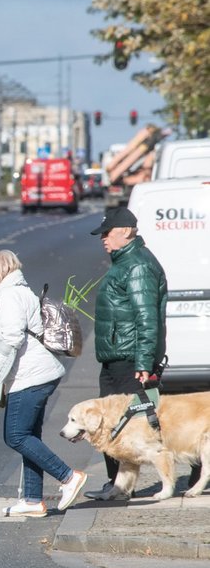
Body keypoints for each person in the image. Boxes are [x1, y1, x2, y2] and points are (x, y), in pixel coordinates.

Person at [0, 250, 87, 517]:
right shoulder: (15, 292)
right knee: (28, 435)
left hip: (31, 376)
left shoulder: (11, 297)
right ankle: (33, 500)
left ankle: (68, 477)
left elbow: (11, 341)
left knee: (15, 435)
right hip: (37, 373)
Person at [85, 207, 169, 500]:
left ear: (125, 232)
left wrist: (144, 362)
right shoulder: (125, 262)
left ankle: (123, 487)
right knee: (111, 424)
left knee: (124, 425)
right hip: (117, 356)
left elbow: (147, 317)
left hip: (129, 359)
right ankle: (117, 486)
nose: (103, 239)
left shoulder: (137, 266)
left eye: (107, 233)